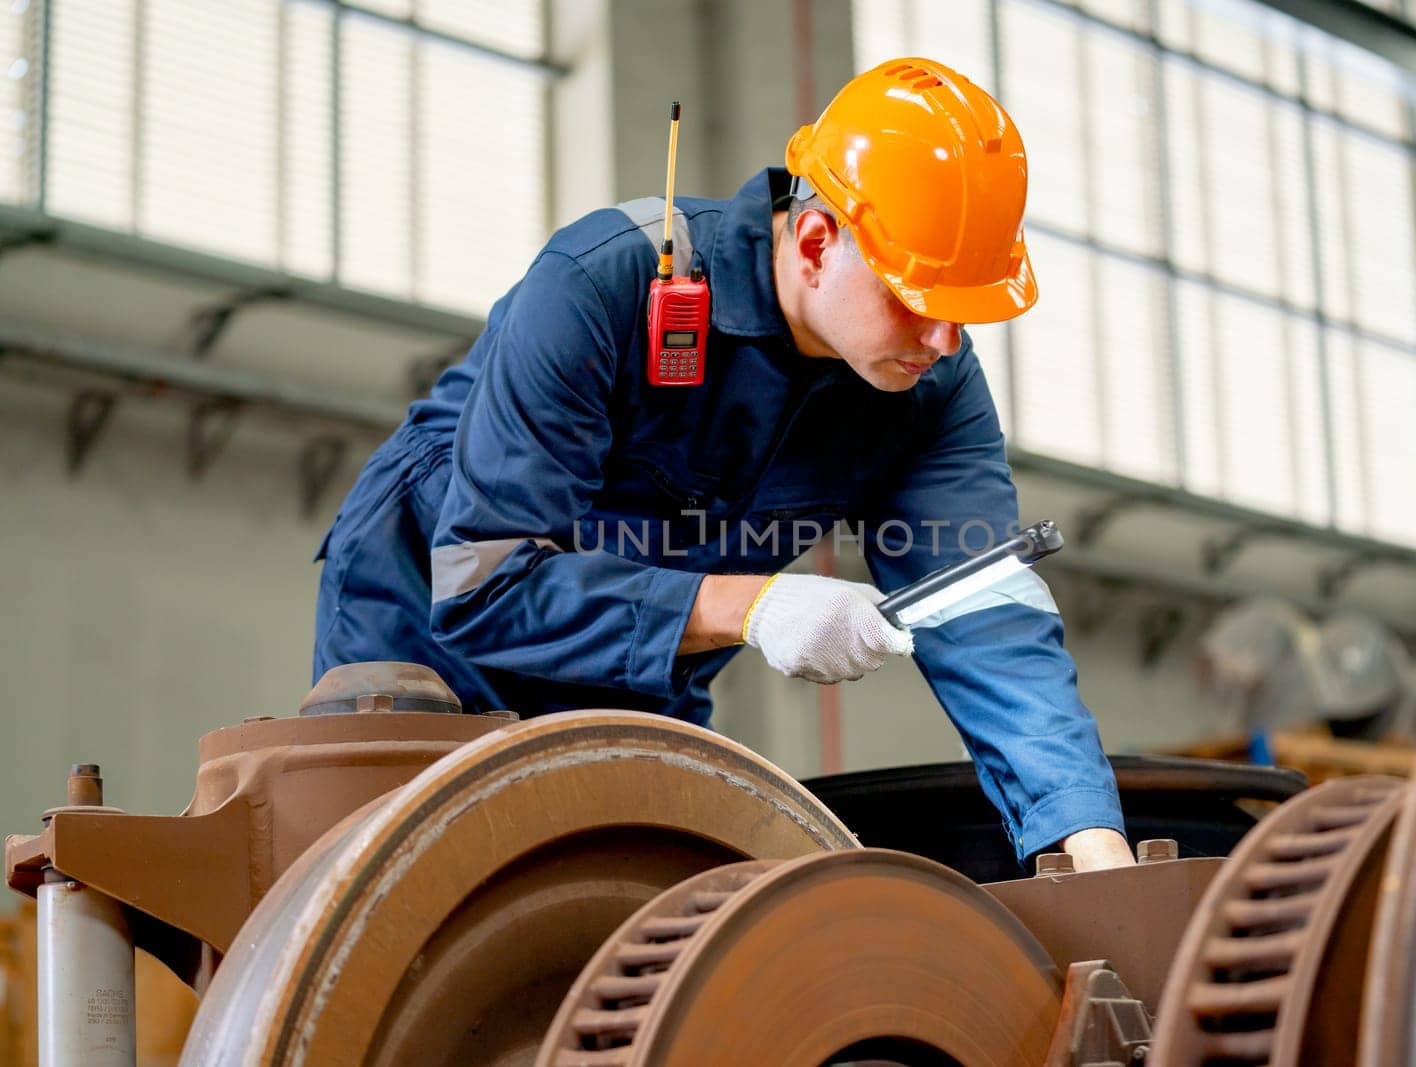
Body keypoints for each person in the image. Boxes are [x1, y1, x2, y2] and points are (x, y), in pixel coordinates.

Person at [313, 57, 1134, 870]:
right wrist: (757, 605)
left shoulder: (927, 386)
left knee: (649, 923)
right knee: (410, 909)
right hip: (426, 627)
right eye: (920, 301)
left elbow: (981, 610)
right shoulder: (599, 284)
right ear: (815, 242)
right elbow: (485, 583)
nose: (945, 341)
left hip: (637, 663)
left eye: (964, 312)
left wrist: (1087, 834)